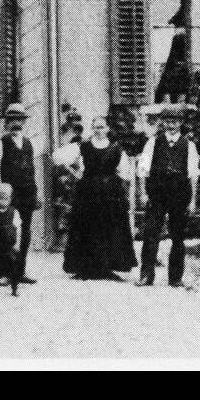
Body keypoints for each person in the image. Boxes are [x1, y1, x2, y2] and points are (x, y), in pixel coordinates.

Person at [64, 116, 139, 280]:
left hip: (110, 195)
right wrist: (77, 174)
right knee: (87, 228)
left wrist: (116, 184)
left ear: (107, 129)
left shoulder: (116, 149)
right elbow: (60, 158)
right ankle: (86, 268)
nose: (99, 130)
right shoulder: (83, 146)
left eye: (102, 127)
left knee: (108, 229)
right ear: (92, 128)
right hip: (88, 193)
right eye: (96, 127)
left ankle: (107, 268)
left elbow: (125, 173)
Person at [137, 112, 199, 288]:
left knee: (178, 237)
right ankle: (146, 276)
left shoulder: (189, 145)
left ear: (180, 123)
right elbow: (143, 169)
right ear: (163, 123)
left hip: (180, 194)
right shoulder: (153, 142)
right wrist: (143, 193)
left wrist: (192, 200)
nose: (171, 125)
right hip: (157, 194)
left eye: (175, 122)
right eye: (168, 122)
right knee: (151, 233)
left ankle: (176, 278)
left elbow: (193, 175)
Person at [0, 104, 40, 285]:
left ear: (24, 122)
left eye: (20, 119)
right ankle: (1, 273)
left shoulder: (29, 143)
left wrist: (36, 194)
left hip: (27, 196)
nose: (17, 123)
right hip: (7, 198)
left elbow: (31, 170)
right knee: (5, 235)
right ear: (7, 122)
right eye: (13, 120)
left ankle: (19, 271)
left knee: (25, 233)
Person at [51, 114, 86, 244]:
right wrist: (71, 171)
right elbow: (57, 158)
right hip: (70, 188)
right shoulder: (72, 148)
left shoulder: (84, 147)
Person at [0, 183, 21, 295]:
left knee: (13, 269)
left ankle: (14, 290)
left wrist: (17, 244)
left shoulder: (13, 212)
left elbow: (18, 228)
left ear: (10, 199)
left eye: (6, 199)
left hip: (9, 246)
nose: (3, 202)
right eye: (0, 199)